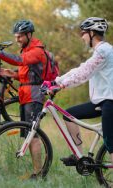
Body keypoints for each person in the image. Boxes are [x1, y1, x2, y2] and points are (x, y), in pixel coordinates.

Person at [43, 17, 113, 165]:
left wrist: (62, 86)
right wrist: (57, 81)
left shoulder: (104, 51)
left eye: (83, 33)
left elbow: (84, 73)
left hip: (110, 102)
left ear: (92, 33)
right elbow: (81, 68)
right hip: (102, 100)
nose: (82, 37)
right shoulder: (100, 51)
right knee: (69, 115)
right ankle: (79, 156)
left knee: (111, 145)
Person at [0, 20, 48, 179]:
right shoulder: (26, 50)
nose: (17, 39)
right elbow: (25, 73)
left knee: (33, 135)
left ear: (28, 34)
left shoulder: (37, 51)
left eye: (20, 36)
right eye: (16, 36)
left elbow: (20, 61)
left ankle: (38, 173)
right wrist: (12, 74)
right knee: (29, 134)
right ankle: (37, 171)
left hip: (34, 96)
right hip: (25, 95)